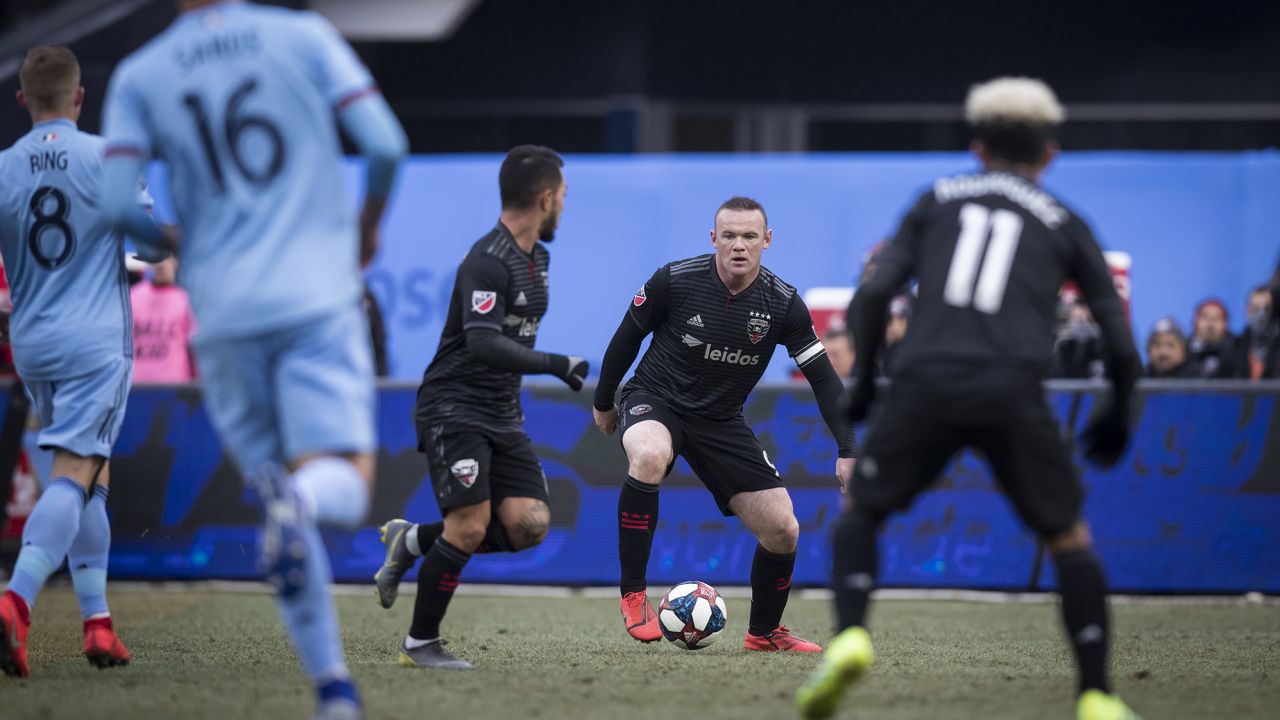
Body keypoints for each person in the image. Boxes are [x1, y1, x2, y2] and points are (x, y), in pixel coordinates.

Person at [796, 77, 1143, 720]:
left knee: (862, 513)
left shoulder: (936, 200)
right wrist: (1121, 409)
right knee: (1069, 539)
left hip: (926, 383)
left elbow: (872, 296)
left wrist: (868, 384)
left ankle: (849, 635)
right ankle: (1097, 694)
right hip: (1013, 388)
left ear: (976, 148)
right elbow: (1120, 338)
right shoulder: (1065, 220)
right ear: (1049, 155)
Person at [99, 2, 407, 716]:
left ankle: (334, 691)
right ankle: (296, 507)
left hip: (223, 314)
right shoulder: (302, 36)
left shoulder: (142, 74)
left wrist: (180, 242)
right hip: (314, 298)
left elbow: (117, 207)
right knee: (338, 488)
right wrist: (365, 230)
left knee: (278, 497)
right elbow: (385, 145)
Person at [592, 196, 856, 653]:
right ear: (713, 238)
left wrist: (848, 447)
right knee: (650, 454)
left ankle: (764, 633)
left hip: (720, 419)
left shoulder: (783, 303)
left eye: (750, 236)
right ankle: (634, 595)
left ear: (767, 241)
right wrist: (603, 401)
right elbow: (625, 338)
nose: (739, 246)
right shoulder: (673, 280)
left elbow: (824, 379)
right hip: (656, 399)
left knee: (783, 528)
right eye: (729, 235)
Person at [371, 145, 587, 671]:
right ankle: (420, 645)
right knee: (468, 526)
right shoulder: (487, 261)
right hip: (454, 407)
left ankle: (414, 540)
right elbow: (483, 344)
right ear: (545, 198)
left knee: (529, 524)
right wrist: (557, 363)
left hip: (501, 412)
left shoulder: (540, 256)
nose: (565, 206)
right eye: (563, 197)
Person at [0, 45, 155, 679]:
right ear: (80, 96)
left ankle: (97, 624)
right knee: (75, 472)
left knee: (91, 476)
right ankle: (15, 600)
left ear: (22, 102)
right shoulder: (105, 156)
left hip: (33, 341)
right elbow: (147, 247)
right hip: (94, 341)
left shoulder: (3, 166)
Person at [131, 256, 198, 383]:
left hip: (175, 388)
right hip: (135, 386)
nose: (162, 265)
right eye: (158, 258)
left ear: (176, 262)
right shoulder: (133, 297)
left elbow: (194, 349)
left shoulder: (186, 300)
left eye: (167, 259)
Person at [1051, 300, 1106, 379]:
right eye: (1076, 315)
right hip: (1065, 377)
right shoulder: (1061, 333)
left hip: (1089, 376)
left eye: (1082, 313)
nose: (1080, 316)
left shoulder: (1096, 334)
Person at [1186, 299, 1241, 378]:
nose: (1210, 324)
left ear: (1225, 324)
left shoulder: (1237, 349)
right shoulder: (1184, 350)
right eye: (1205, 318)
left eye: (1216, 318)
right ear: (1195, 322)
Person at [1240, 285, 1280, 380]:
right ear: (1247, 311)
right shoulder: (1235, 347)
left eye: (1266, 309)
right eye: (1255, 309)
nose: (1261, 315)